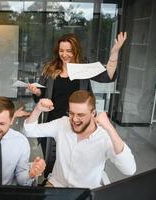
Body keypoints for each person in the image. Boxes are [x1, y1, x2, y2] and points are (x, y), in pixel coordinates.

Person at [26, 32, 127, 177]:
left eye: (69, 51)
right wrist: (36, 93)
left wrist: (114, 53)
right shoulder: (50, 68)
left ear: (76, 50)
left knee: (76, 165)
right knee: (52, 165)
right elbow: (41, 95)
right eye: (61, 51)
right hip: (54, 123)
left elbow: (107, 77)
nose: (65, 54)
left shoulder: (83, 67)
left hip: (78, 123)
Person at [23, 90, 136, 189]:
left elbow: (129, 169)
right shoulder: (63, 123)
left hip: (85, 192)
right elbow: (28, 131)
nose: (74, 119)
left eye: (81, 115)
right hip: (57, 186)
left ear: (93, 113)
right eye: (71, 113)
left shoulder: (104, 137)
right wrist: (38, 109)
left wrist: (110, 128)